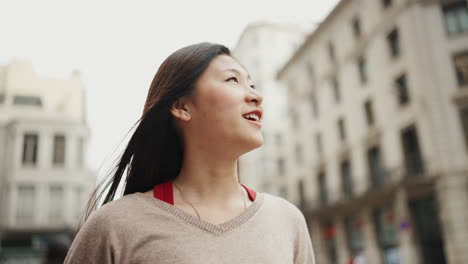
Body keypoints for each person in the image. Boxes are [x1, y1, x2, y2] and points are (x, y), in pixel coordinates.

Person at [64, 42, 315, 263]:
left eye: (252, 84)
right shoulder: (115, 226)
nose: (256, 96)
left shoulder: (287, 220)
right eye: (232, 80)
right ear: (182, 106)